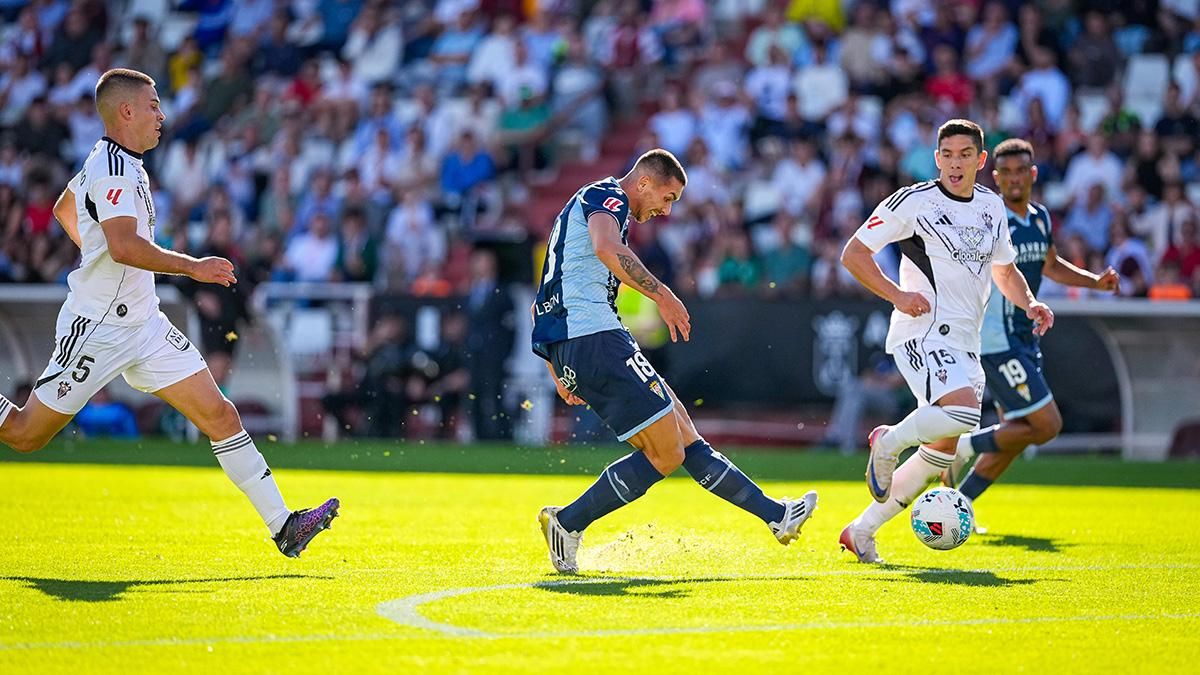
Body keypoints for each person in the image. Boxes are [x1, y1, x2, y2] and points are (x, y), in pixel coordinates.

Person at [0, 69, 338, 558]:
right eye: (154, 105)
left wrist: (95, 249)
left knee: (220, 414)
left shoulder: (115, 161)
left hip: (145, 326)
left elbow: (65, 210)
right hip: (98, 328)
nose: (162, 114)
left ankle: (284, 526)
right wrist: (193, 267)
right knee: (25, 435)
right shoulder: (114, 168)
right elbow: (122, 246)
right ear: (126, 112)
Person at [532, 149, 817, 574]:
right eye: (667, 198)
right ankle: (568, 521)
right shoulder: (607, 195)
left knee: (682, 430)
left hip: (579, 342)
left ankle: (776, 515)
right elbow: (606, 248)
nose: (666, 211)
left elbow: (541, 300)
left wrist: (557, 367)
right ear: (644, 182)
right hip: (595, 338)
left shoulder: (589, 211)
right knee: (666, 453)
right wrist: (662, 294)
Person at [837, 119, 1055, 564]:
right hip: (922, 332)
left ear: (980, 160)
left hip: (966, 343)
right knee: (964, 411)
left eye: (965, 155)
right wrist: (897, 295)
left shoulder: (991, 207)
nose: (956, 163)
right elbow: (853, 254)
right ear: (937, 159)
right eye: (948, 155)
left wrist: (1030, 302)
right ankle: (888, 441)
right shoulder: (914, 201)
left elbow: (1004, 270)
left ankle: (861, 531)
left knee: (941, 453)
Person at [945, 139, 1119, 522]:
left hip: (1025, 336)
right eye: (1006, 173)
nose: (1014, 179)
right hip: (996, 339)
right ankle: (962, 448)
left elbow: (1050, 264)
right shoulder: (989, 219)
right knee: (1047, 425)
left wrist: (1094, 282)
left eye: (1021, 171)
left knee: (1016, 433)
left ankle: (960, 505)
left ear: (1033, 174)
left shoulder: (1040, 217)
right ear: (995, 178)